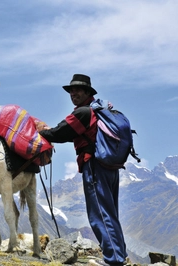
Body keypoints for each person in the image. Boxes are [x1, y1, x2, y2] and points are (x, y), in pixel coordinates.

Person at [37, 74, 127, 266]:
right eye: (71, 90)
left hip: (95, 166)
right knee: (110, 213)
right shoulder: (99, 111)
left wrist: (40, 132)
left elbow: (60, 133)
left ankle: (115, 260)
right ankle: (118, 256)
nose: (73, 93)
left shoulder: (83, 113)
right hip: (110, 167)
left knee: (100, 215)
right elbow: (70, 133)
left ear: (88, 92)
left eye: (78, 90)